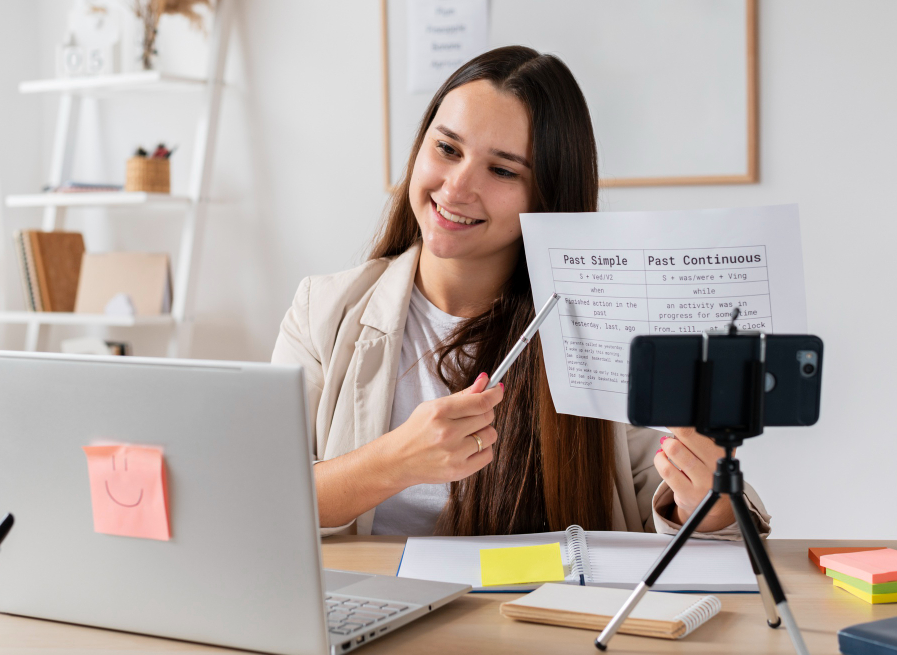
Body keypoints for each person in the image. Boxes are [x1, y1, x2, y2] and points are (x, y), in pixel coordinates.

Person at [272, 46, 770, 539]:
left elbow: (663, 513)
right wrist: (396, 461)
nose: (457, 187)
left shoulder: (596, 328)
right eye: (447, 149)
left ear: (548, 196)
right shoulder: (323, 310)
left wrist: (706, 499)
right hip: (372, 610)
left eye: (503, 170)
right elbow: (258, 496)